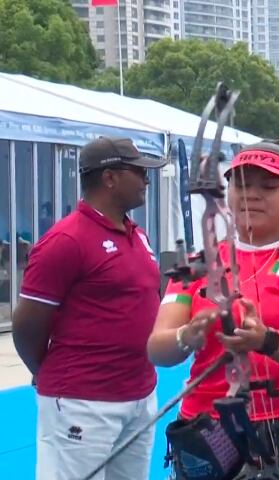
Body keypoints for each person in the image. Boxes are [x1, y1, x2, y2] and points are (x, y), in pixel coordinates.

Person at [147, 139, 279, 480]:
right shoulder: (200, 263)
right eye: (240, 184)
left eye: (268, 186)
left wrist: (267, 340)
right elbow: (158, 348)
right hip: (205, 431)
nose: (251, 195)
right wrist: (188, 334)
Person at [11, 136, 166, 480]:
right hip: (83, 402)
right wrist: (50, 374)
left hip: (139, 395)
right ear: (109, 178)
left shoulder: (137, 234)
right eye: (138, 172)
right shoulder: (66, 241)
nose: (146, 180)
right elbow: (26, 326)